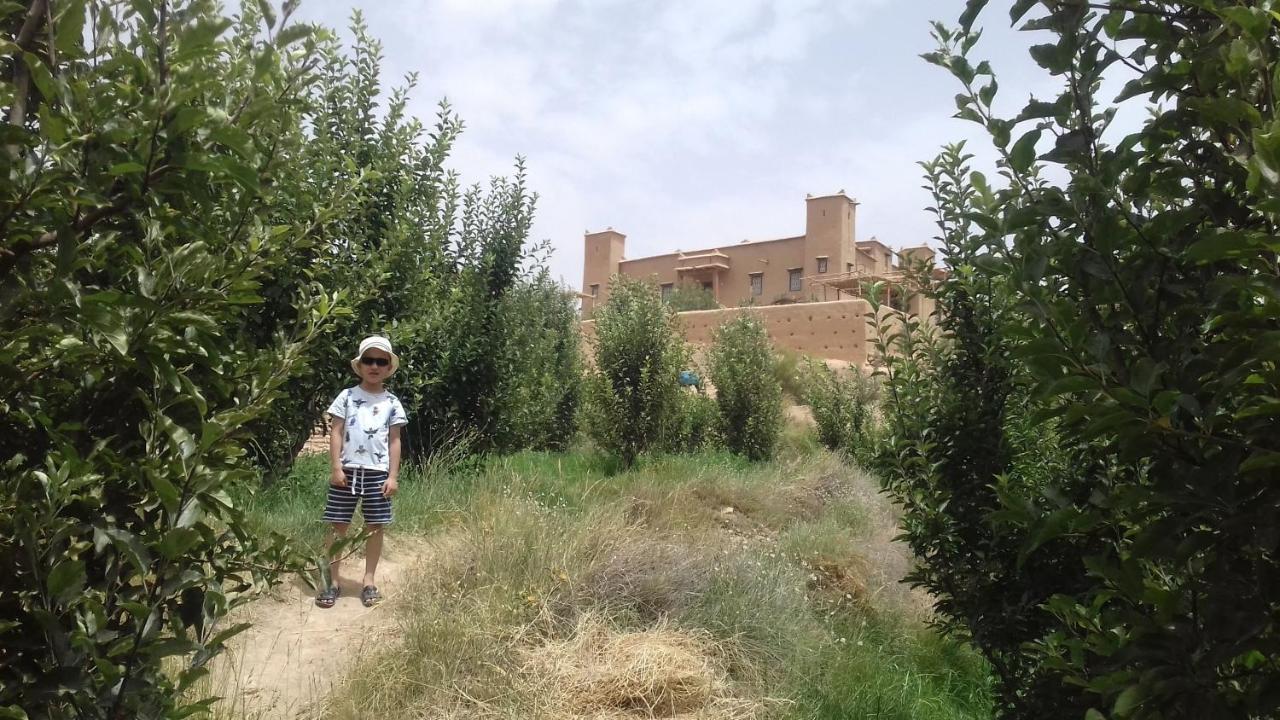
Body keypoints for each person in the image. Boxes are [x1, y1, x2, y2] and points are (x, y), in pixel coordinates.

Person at [315, 335, 407, 608]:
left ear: (389, 367)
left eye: (381, 361)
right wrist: (335, 466)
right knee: (338, 525)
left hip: (378, 474)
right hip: (347, 472)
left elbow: (394, 440)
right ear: (359, 365)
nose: (374, 366)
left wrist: (392, 476)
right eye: (369, 360)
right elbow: (336, 431)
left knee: (374, 527)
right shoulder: (346, 396)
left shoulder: (392, 403)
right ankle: (331, 580)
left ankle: (368, 581)